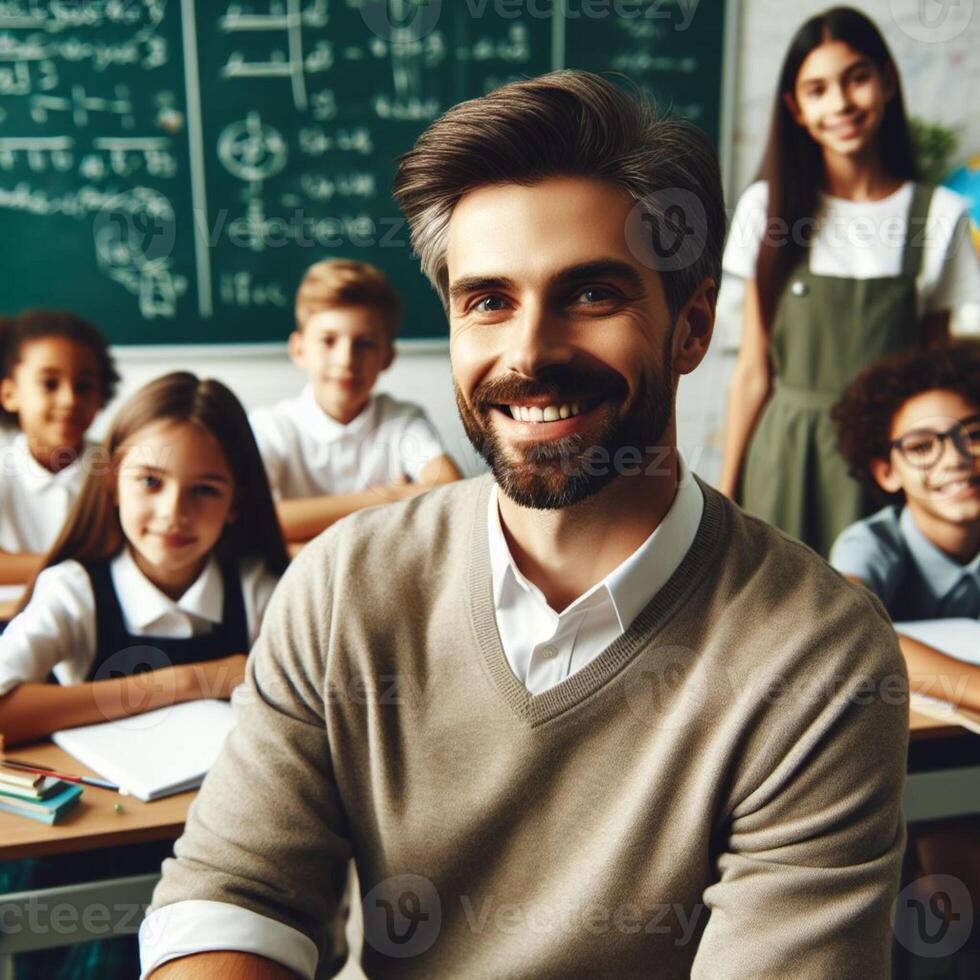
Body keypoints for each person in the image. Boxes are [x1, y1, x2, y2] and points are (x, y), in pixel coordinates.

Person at [140, 71, 907, 979]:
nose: (530, 352)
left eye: (591, 294)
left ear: (692, 327)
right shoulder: (343, 586)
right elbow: (231, 897)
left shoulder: (819, 660)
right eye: (489, 300)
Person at [0, 371, 288, 979]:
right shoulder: (74, 588)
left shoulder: (257, 585)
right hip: (95, 850)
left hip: (225, 844)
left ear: (237, 501)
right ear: (112, 484)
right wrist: (189, 681)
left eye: (204, 490)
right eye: (150, 482)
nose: (172, 513)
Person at [718, 6, 980, 557]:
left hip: (887, 463)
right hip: (785, 459)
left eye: (856, 78)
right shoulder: (767, 209)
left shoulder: (940, 216)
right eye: (817, 89)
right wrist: (724, 492)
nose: (839, 103)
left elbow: (933, 378)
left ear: (886, 81)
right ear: (796, 108)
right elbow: (752, 374)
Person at [249, 258, 462, 543]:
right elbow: (256, 522)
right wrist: (388, 498)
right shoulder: (271, 427)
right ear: (299, 350)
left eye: (364, 344)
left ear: (387, 357)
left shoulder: (401, 420)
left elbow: (450, 492)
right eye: (328, 341)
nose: (346, 360)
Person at [829, 342, 980, 711]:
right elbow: (850, 628)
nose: (956, 461)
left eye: (974, 436)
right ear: (887, 472)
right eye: (922, 446)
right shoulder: (870, 543)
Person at [0, 309, 119, 584]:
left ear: (101, 396)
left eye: (84, 386)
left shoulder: (119, 468)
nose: (69, 400)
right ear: (9, 394)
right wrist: (77, 564)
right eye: (49, 384)